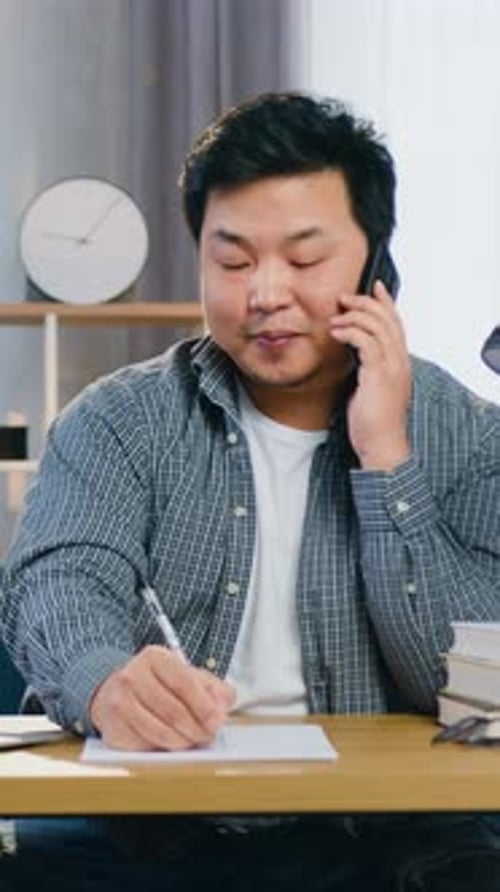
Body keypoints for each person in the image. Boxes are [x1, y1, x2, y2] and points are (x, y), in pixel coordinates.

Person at [1, 90, 500, 890]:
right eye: (232, 261)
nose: (265, 293)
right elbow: (57, 580)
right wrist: (105, 680)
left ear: (377, 264)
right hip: (156, 828)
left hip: (396, 830)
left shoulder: (469, 436)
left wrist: (387, 460)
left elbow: (466, 688)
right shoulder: (119, 420)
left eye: (305, 260)